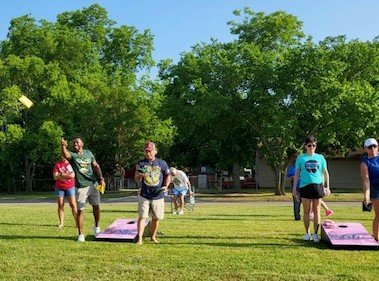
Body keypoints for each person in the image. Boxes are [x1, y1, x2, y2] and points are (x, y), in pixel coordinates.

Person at [61, 136, 106, 242]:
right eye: (73, 143)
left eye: (77, 142)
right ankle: (81, 234)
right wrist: (63, 146)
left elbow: (96, 166)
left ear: (82, 143)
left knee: (96, 207)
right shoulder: (73, 155)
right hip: (81, 187)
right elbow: (65, 154)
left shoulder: (88, 153)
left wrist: (101, 179)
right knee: (81, 211)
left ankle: (96, 228)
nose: (75, 144)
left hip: (93, 184)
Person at [292, 135, 331, 243]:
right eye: (309, 145)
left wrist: (327, 186)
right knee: (306, 211)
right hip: (305, 186)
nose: (311, 147)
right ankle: (307, 233)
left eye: (313, 145)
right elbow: (297, 173)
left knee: (317, 210)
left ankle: (315, 234)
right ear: (305, 146)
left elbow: (325, 172)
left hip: (317, 185)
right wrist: (294, 188)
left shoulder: (320, 157)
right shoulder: (301, 158)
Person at [134, 141, 170, 245]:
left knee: (156, 217)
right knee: (142, 217)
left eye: (150, 151)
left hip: (158, 195)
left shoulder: (162, 163)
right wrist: (140, 175)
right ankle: (140, 238)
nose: (148, 153)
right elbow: (136, 179)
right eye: (146, 151)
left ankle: (153, 237)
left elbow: (168, 175)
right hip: (144, 195)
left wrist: (166, 186)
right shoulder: (140, 163)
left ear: (155, 151)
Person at [360, 137, 379, 241]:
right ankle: (376, 237)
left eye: (374, 146)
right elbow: (366, 180)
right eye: (369, 147)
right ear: (365, 149)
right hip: (375, 189)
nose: (372, 148)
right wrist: (366, 196)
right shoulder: (365, 163)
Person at [53, 156, 77, 228]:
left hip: (70, 187)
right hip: (59, 187)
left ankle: (77, 222)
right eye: (62, 156)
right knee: (60, 205)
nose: (64, 157)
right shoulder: (58, 165)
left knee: (73, 204)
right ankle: (61, 223)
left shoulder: (71, 164)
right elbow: (55, 177)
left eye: (65, 156)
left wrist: (61, 174)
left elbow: (73, 175)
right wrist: (66, 175)